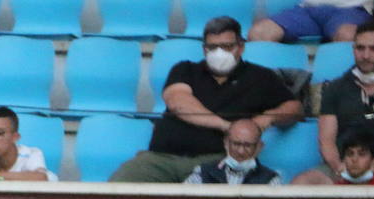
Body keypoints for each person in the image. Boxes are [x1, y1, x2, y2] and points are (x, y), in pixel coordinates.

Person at [110, 16, 301, 183]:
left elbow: (294, 107)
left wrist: (264, 120)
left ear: (241, 47)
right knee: (118, 188)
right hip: (162, 159)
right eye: (212, 47)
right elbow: (178, 102)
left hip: (217, 162)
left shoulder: (260, 77)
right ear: (204, 49)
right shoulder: (185, 69)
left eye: (227, 46)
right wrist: (226, 126)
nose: (219, 53)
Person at [292, 21, 374, 184]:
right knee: (302, 182)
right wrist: (341, 169)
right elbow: (326, 140)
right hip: (341, 166)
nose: (365, 55)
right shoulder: (336, 88)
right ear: (353, 49)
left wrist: (369, 170)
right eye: (360, 48)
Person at [183, 118, 282, 184]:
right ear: (226, 143)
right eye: (236, 144)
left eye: (248, 145)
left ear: (259, 147)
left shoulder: (270, 179)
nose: (241, 151)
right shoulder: (203, 172)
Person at [248, 0, 373, 45]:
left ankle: (335, 92)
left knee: (348, 36)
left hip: (351, 10)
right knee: (258, 33)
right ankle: (283, 90)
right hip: (307, 9)